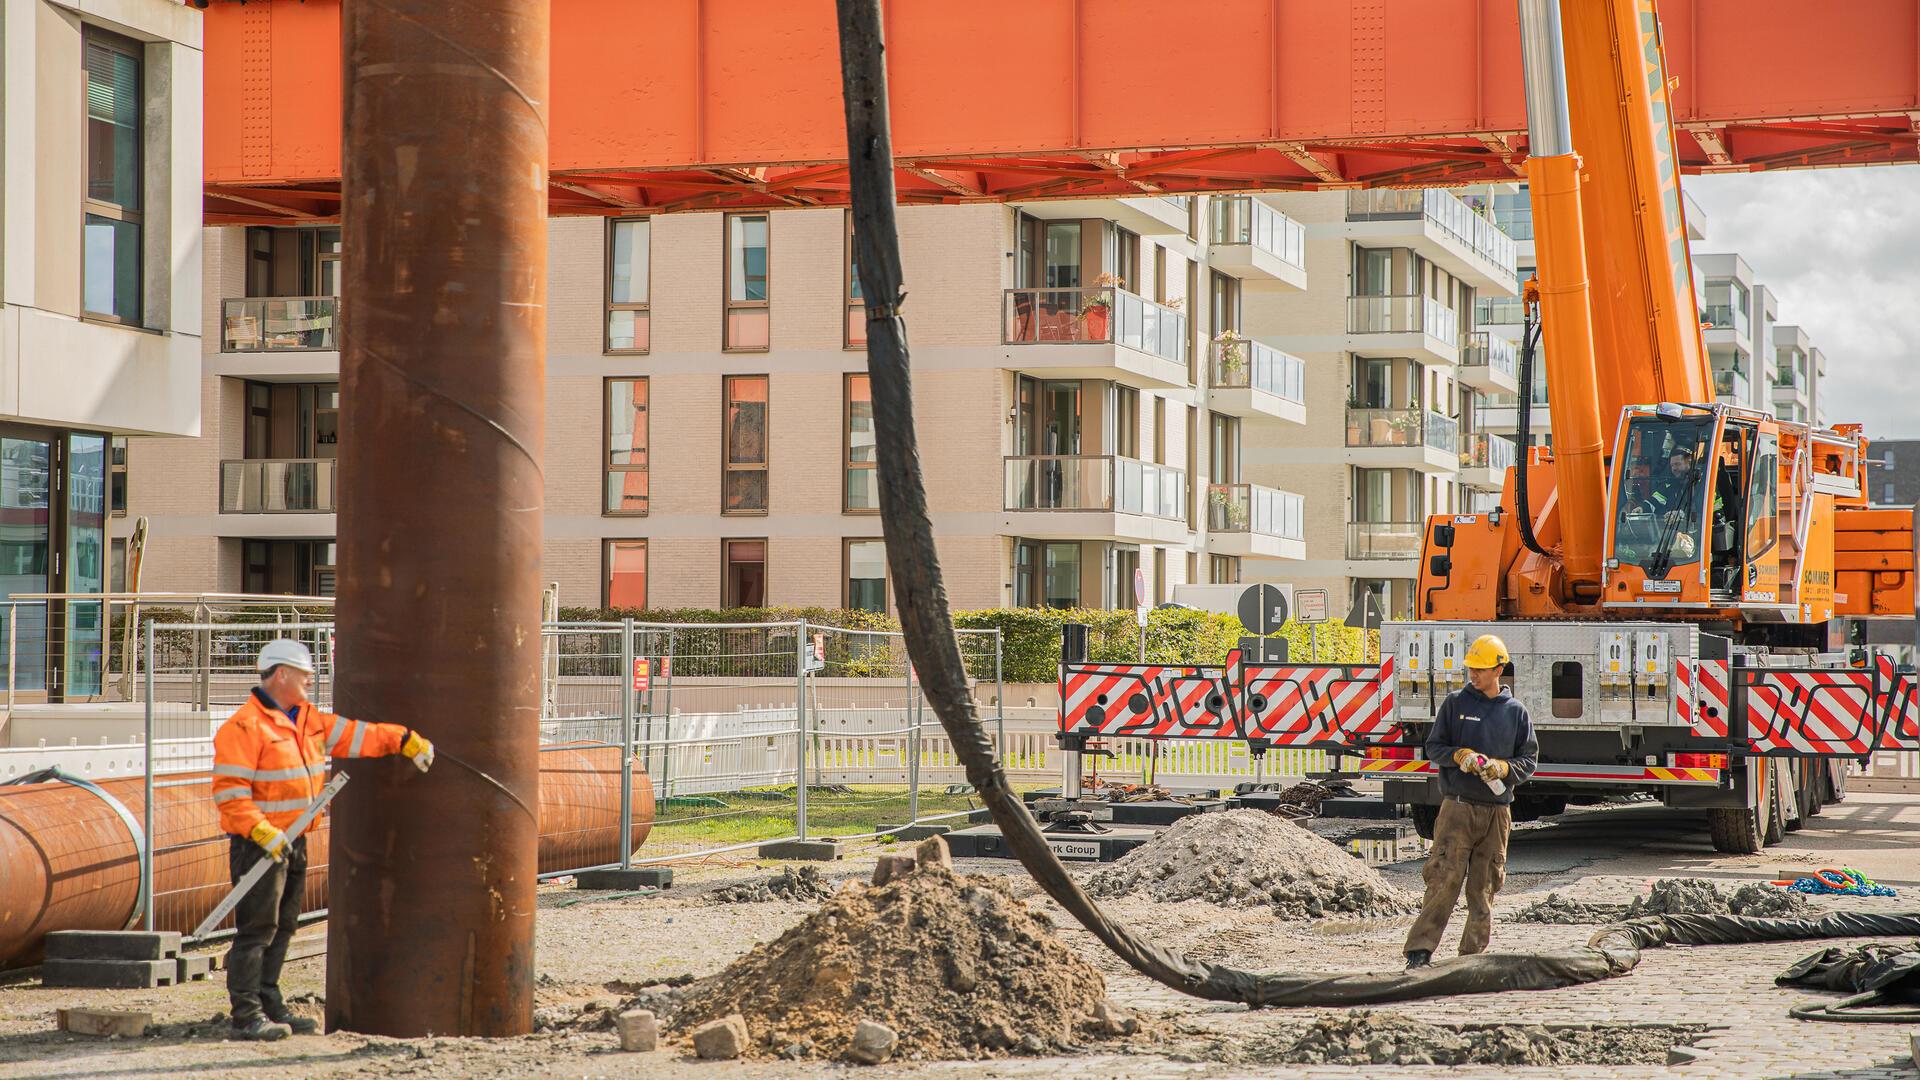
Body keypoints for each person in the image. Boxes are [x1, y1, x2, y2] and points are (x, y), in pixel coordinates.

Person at [211, 639, 436, 1040]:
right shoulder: (245, 727)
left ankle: (269, 1003)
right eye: (305, 676)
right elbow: (230, 792)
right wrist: (261, 829)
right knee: (257, 929)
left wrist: (403, 739)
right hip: (259, 845)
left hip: (293, 841)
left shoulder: (307, 720)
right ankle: (246, 1015)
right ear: (281, 675)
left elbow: (357, 735)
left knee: (283, 926)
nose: (311, 682)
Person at [1404, 633, 1538, 970]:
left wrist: (1503, 768)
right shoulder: (1455, 704)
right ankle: (1420, 951)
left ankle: (1471, 956)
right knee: (1443, 878)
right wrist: (1458, 755)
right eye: (1471, 669)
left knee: (1484, 886)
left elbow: (1529, 761)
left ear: (1499, 669)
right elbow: (1434, 747)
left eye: (1480, 669)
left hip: (1496, 813)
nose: (1473, 675)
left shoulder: (1515, 713)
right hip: (1458, 809)